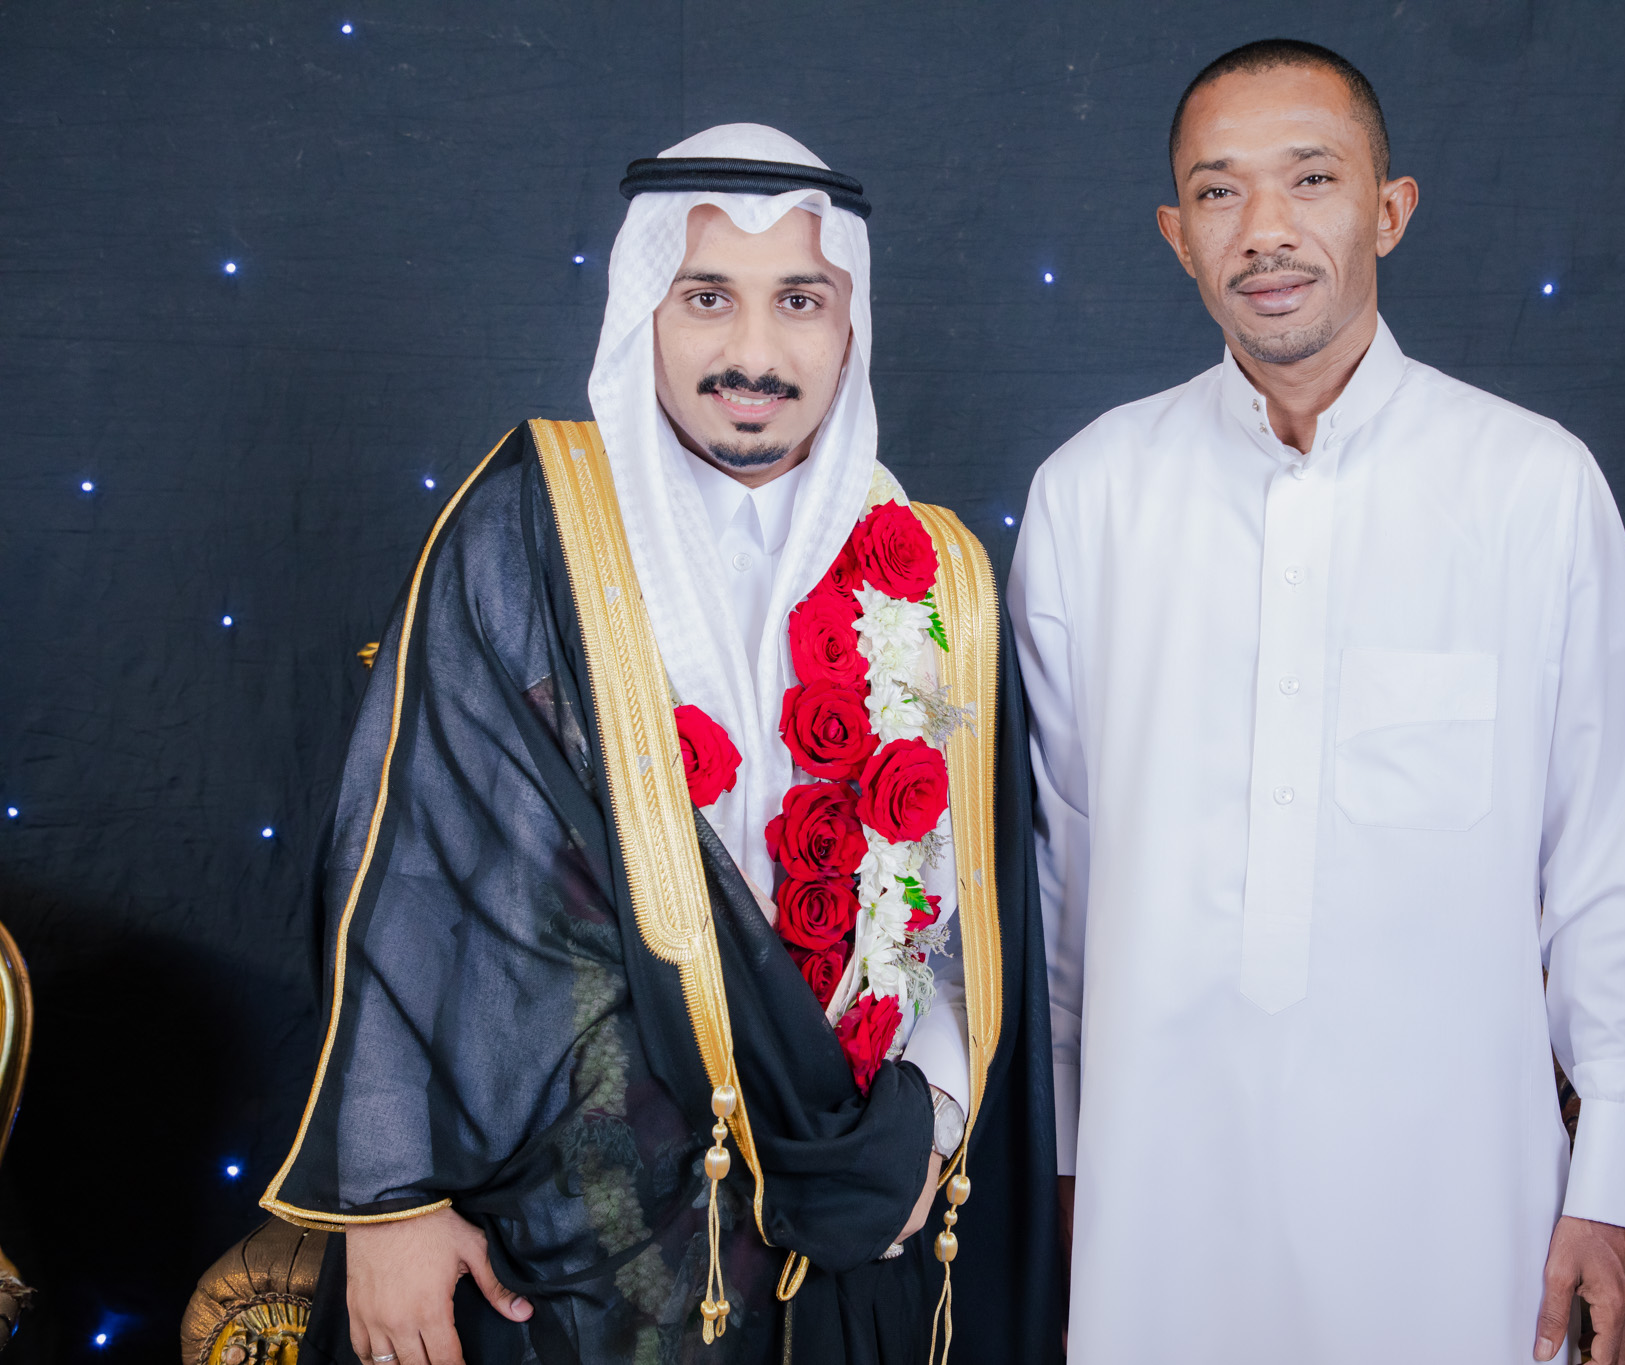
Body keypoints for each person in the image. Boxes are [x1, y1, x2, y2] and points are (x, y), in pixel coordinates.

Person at [262, 123, 1059, 1365]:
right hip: (560, 1232)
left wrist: (936, 1120)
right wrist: (393, 1204)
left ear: (850, 323)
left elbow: (972, 917)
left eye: (799, 300)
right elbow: (411, 876)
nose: (753, 354)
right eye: (706, 298)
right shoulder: (529, 530)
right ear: (644, 310)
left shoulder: (936, 575)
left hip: (850, 1224)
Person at [1010, 39, 1625, 1365]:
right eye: (1218, 191)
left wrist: (1605, 1179)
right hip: (1158, 1195)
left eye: (1309, 178)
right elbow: (1059, 877)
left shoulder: (1531, 487)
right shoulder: (1090, 497)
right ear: (1174, 235)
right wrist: (1069, 1157)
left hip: (1456, 1198)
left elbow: (1606, 853)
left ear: (1389, 210)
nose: (1264, 229)